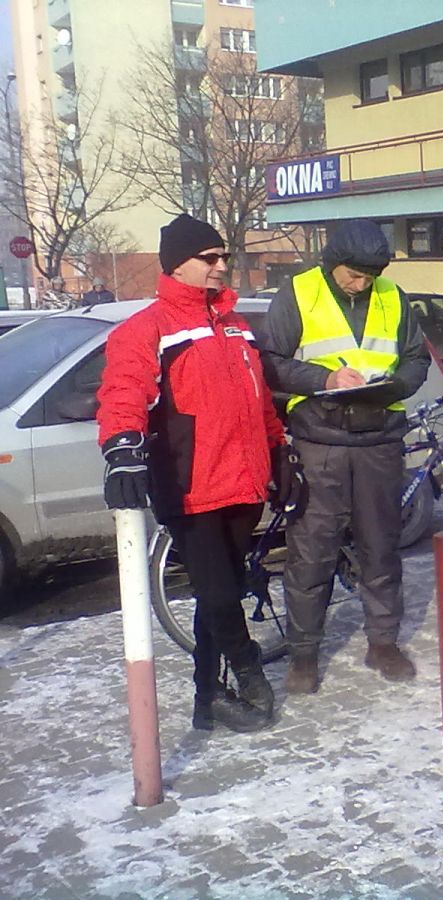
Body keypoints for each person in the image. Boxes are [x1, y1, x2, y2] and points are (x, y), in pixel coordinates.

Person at [96, 213, 304, 733]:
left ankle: (207, 698)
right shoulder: (146, 329)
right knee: (218, 594)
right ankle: (248, 669)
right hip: (190, 484)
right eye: (208, 258)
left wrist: (278, 449)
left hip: (242, 482)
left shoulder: (235, 326)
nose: (220, 266)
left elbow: (259, 399)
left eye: (223, 256)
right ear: (176, 266)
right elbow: (124, 391)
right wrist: (122, 449)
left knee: (222, 593)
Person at [259, 219, 430, 695]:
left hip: (379, 441)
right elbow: (270, 361)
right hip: (321, 442)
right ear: (332, 264)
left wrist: (398, 385)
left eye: (370, 276)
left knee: (381, 549)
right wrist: (324, 380)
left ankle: (383, 643)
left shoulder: (393, 297)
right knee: (311, 555)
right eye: (354, 275)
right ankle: (304, 654)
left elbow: (416, 358)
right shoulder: (299, 292)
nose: (362, 283)